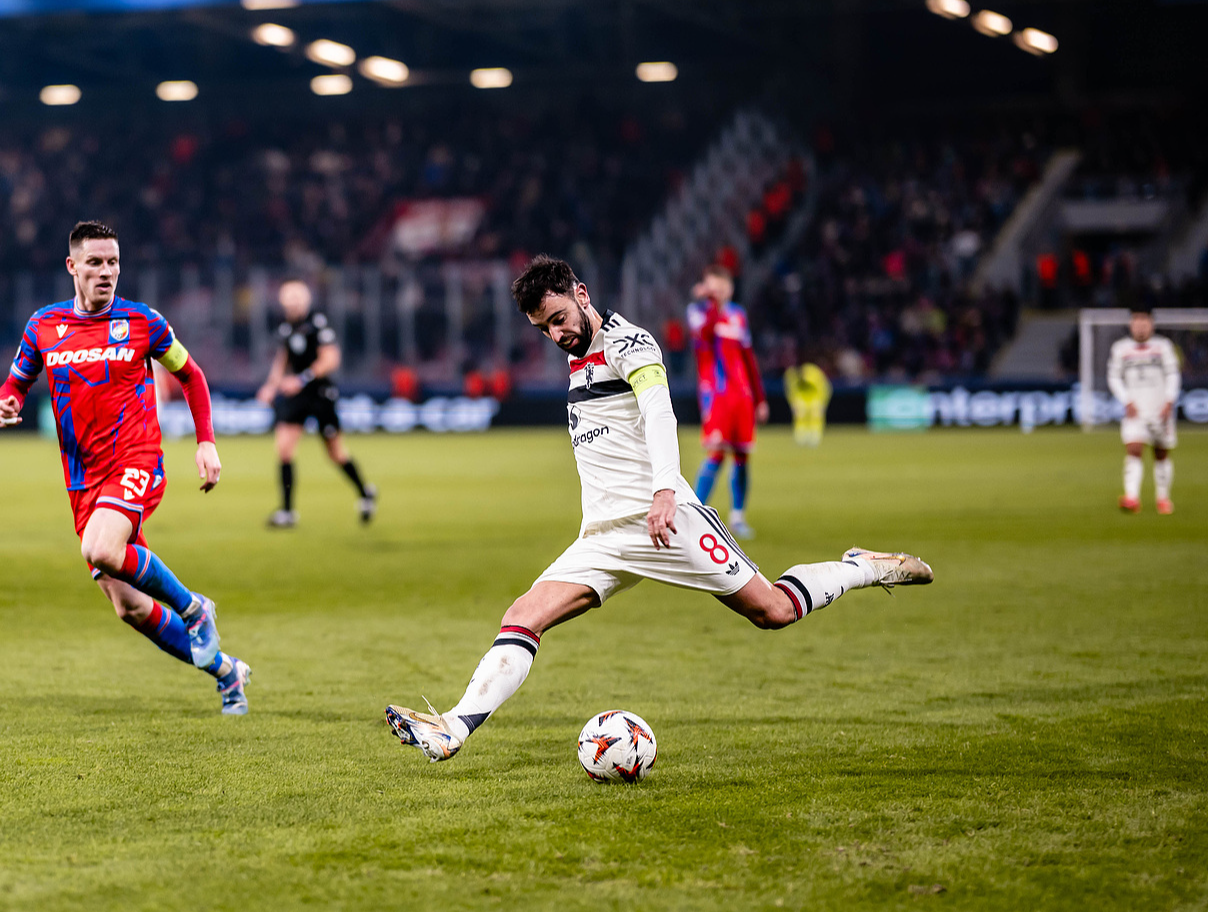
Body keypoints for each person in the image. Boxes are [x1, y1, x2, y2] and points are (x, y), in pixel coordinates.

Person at [384, 256, 933, 763]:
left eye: (558, 317)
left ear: (580, 293)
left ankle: (861, 566)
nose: (556, 334)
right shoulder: (579, 359)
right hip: (601, 537)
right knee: (523, 616)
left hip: (666, 524)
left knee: (773, 612)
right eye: (544, 329)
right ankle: (452, 728)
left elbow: (659, 414)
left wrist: (665, 491)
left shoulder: (630, 344)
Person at [0, 221, 251, 715]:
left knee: (102, 547)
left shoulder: (143, 322)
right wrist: (5, 404)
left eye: (113, 262)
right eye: (95, 263)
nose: (106, 272)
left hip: (136, 460)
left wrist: (206, 442)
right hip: (83, 482)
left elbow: (191, 376)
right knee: (129, 607)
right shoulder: (44, 326)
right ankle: (226, 671)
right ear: (72, 267)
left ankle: (196, 609)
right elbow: (15, 383)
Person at [254, 279, 377, 528]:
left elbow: (331, 358)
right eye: (289, 297)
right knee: (284, 449)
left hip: (319, 393)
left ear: (307, 299)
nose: (294, 302)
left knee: (336, 453)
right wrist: (270, 385)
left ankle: (365, 492)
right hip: (296, 395)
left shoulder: (318, 324)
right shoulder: (286, 328)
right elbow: (282, 360)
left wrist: (302, 378)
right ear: (282, 301)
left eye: (298, 297)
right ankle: (287, 512)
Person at [687, 265, 767, 540]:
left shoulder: (738, 315)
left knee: (743, 456)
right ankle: (694, 514)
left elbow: (748, 357)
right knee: (716, 453)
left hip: (742, 396)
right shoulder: (699, 312)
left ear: (730, 287)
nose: (718, 290)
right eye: (712, 285)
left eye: (722, 285)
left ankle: (738, 517)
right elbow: (704, 337)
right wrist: (712, 303)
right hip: (716, 395)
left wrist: (760, 398)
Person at [1108, 307, 1180, 514]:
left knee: (1161, 453)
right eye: (1136, 321)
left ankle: (1163, 498)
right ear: (1131, 324)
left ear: (1151, 324)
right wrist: (1126, 400)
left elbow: (1173, 374)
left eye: (1144, 321)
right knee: (1134, 449)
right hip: (1135, 410)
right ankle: (1132, 497)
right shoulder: (1121, 348)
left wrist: (1169, 401)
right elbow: (1113, 377)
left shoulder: (1163, 346)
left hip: (1160, 409)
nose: (1140, 325)